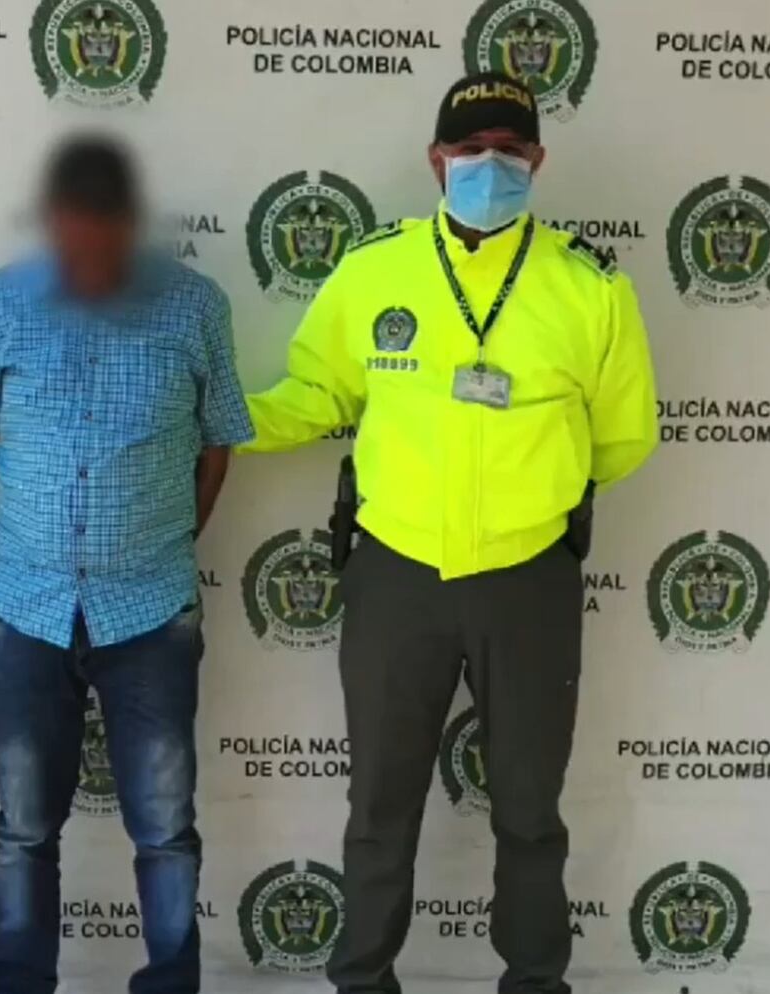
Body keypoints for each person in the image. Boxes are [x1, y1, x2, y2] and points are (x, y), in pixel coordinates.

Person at [242, 73, 659, 994]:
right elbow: (315, 394)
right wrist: (216, 417)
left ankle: (535, 981)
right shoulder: (374, 270)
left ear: (537, 160)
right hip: (397, 573)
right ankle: (362, 980)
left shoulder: (588, 286)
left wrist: (529, 491)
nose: (488, 166)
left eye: (509, 151)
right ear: (436, 160)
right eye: (469, 150)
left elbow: (623, 437)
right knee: (379, 806)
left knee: (529, 809)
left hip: (527, 578)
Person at [0, 135, 253, 994]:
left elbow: (216, 445)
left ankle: (169, 982)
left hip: (150, 611)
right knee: (23, 830)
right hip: (26, 608)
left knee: (164, 831)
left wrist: (157, 540)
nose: (87, 251)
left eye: (104, 232)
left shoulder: (195, 307)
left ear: (130, 224)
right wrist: (53, 538)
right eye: (72, 231)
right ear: (50, 224)